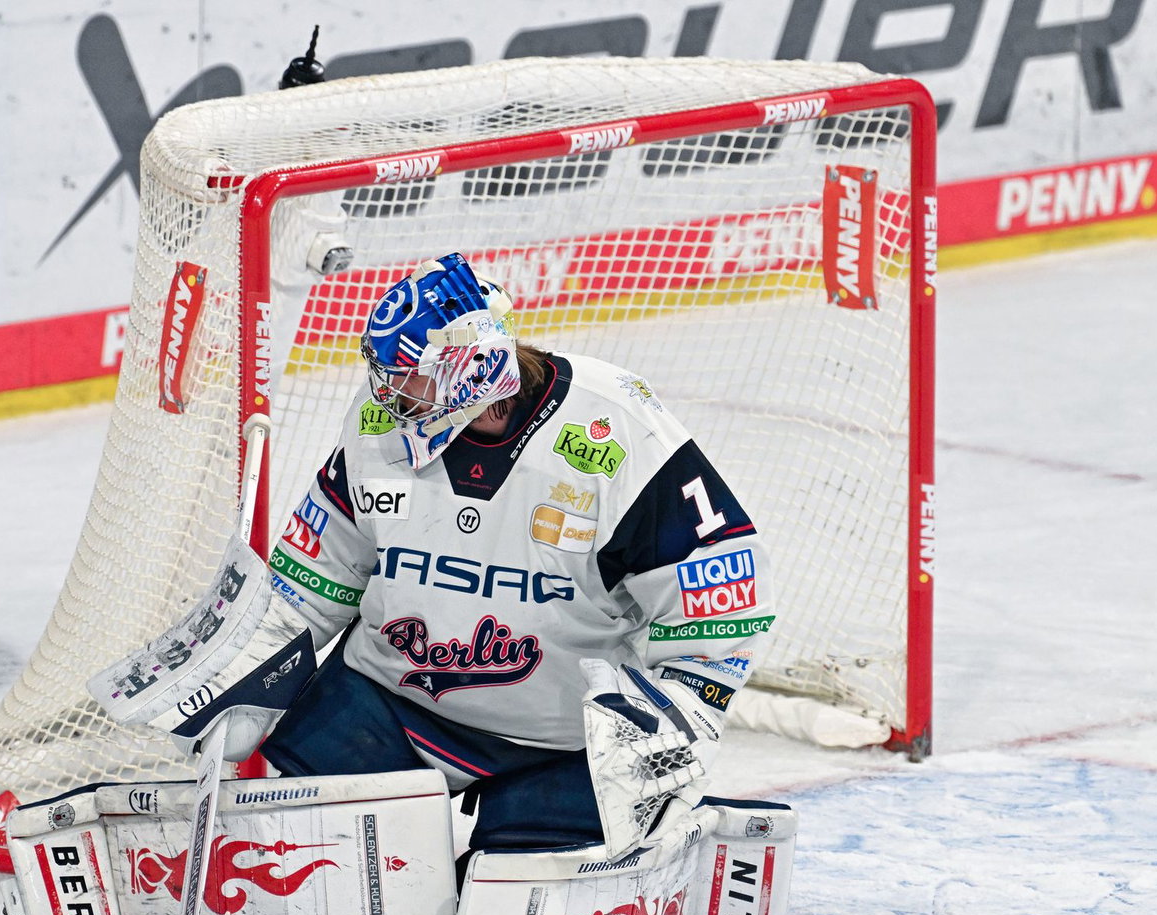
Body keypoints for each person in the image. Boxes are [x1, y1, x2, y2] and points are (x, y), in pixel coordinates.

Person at [240, 251, 776, 858]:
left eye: (408, 376)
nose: (388, 391)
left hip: (561, 738)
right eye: (384, 370)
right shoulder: (378, 421)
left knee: (509, 905)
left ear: (468, 372)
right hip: (389, 702)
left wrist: (674, 716)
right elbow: (319, 569)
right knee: (302, 856)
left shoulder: (617, 430)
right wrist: (249, 667)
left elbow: (723, 591)